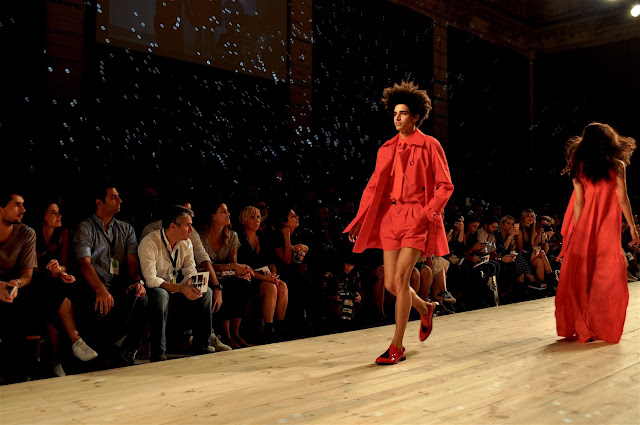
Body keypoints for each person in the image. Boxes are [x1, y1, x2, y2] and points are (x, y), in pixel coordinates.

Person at [344, 81, 454, 365]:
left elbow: (445, 185)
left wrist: (428, 213)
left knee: (401, 280)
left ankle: (396, 346)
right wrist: (359, 220)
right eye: (395, 113)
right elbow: (372, 188)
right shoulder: (387, 148)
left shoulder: (430, 145)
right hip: (390, 219)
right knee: (392, 284)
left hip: (416, 218)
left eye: (403, 113)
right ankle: (425, 308)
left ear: (416, 116)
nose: (397, 117)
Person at [556, 122, 639, 343]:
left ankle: (585, 326)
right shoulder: (617, 166)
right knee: (606, 275)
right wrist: (632, 228)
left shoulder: (579, 165)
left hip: (585, 227)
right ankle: (597, 325)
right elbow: (623, 199)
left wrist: (576, 230)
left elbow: (579, 202)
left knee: (584, 275)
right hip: (607, 229)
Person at [72, 184, 147, 366]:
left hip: (118, 286)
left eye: (118, 196)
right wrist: (100, 289)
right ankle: (101, 351)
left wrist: (137, 281)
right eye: (113, 197)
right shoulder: (85, 227)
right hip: (93, 286)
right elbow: (84, 263)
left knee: (141, 296)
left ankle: (128, 351)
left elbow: (132, 261)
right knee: (92, 301)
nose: (119, 200)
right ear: (99, 202)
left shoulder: (126, 229)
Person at [140, 200, 229, 352]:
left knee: (206, 292)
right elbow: (151, 279)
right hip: (155, 290)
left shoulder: (186, 243)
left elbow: (190, 271)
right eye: (188, 225)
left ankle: (203, 344)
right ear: (173, 226)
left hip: (176, 289)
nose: (191, 230)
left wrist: (194, 285)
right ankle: (158, 351)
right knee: (161, 294)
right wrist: (181, 288)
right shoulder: (150, 242)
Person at [35, 201, 98, 376]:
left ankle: (58, 360)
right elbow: (30, 268)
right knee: (54, 295)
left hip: (53, 281)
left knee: (71, 291)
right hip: (34, 281)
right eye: (53, 213)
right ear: (42, 216)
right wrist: (51, 272)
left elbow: (64, 264)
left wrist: (60, 272)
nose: (59, 216)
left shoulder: (62, 233)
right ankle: (75, 342)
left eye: (59, 212)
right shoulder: (32, 234)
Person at [200, 201, 255, 348]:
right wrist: (232, 267)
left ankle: (236, 333)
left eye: (228, 211)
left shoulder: (232, 236)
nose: (228, 214)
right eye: (223, 211)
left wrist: (238, 271)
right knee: (226, 286)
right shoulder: (201, 236)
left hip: (225, 274)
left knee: (242, 282)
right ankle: (226, 335)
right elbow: (204, 265)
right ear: (213, 216)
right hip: (209, 275)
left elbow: (233, 264)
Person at [237, 206, 288, 343]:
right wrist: (265, 278)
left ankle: (280, 327)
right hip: (248, 277)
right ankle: (268, 330)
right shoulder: (239, 239)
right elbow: (242, 267)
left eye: (258, 217)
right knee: (270, 287)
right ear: (244, 220)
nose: (257, 220)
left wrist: (274, 276)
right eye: (252, 217)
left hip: (265, 276)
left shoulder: (263, 238)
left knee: (282, 286)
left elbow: (272, 263)